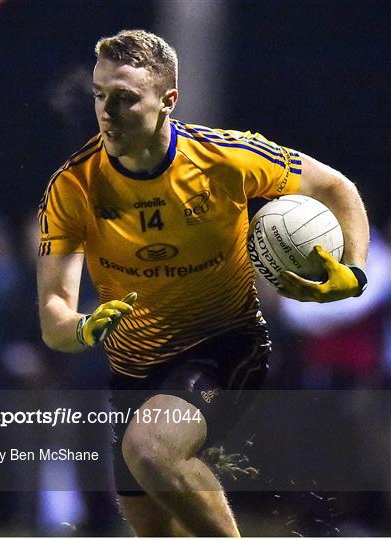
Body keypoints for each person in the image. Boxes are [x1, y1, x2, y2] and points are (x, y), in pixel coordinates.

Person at [37, 29, 369, 537]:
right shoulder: (73, 186)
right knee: (153, 522)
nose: (107, 111)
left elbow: (334, 187)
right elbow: (53, 319)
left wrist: (356, 268)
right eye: (100, 95)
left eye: (125, 98)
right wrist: (82, 328)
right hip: (133, 374)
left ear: (169, 100)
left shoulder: (223, 158)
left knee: (150, 449)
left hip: (225, 346)